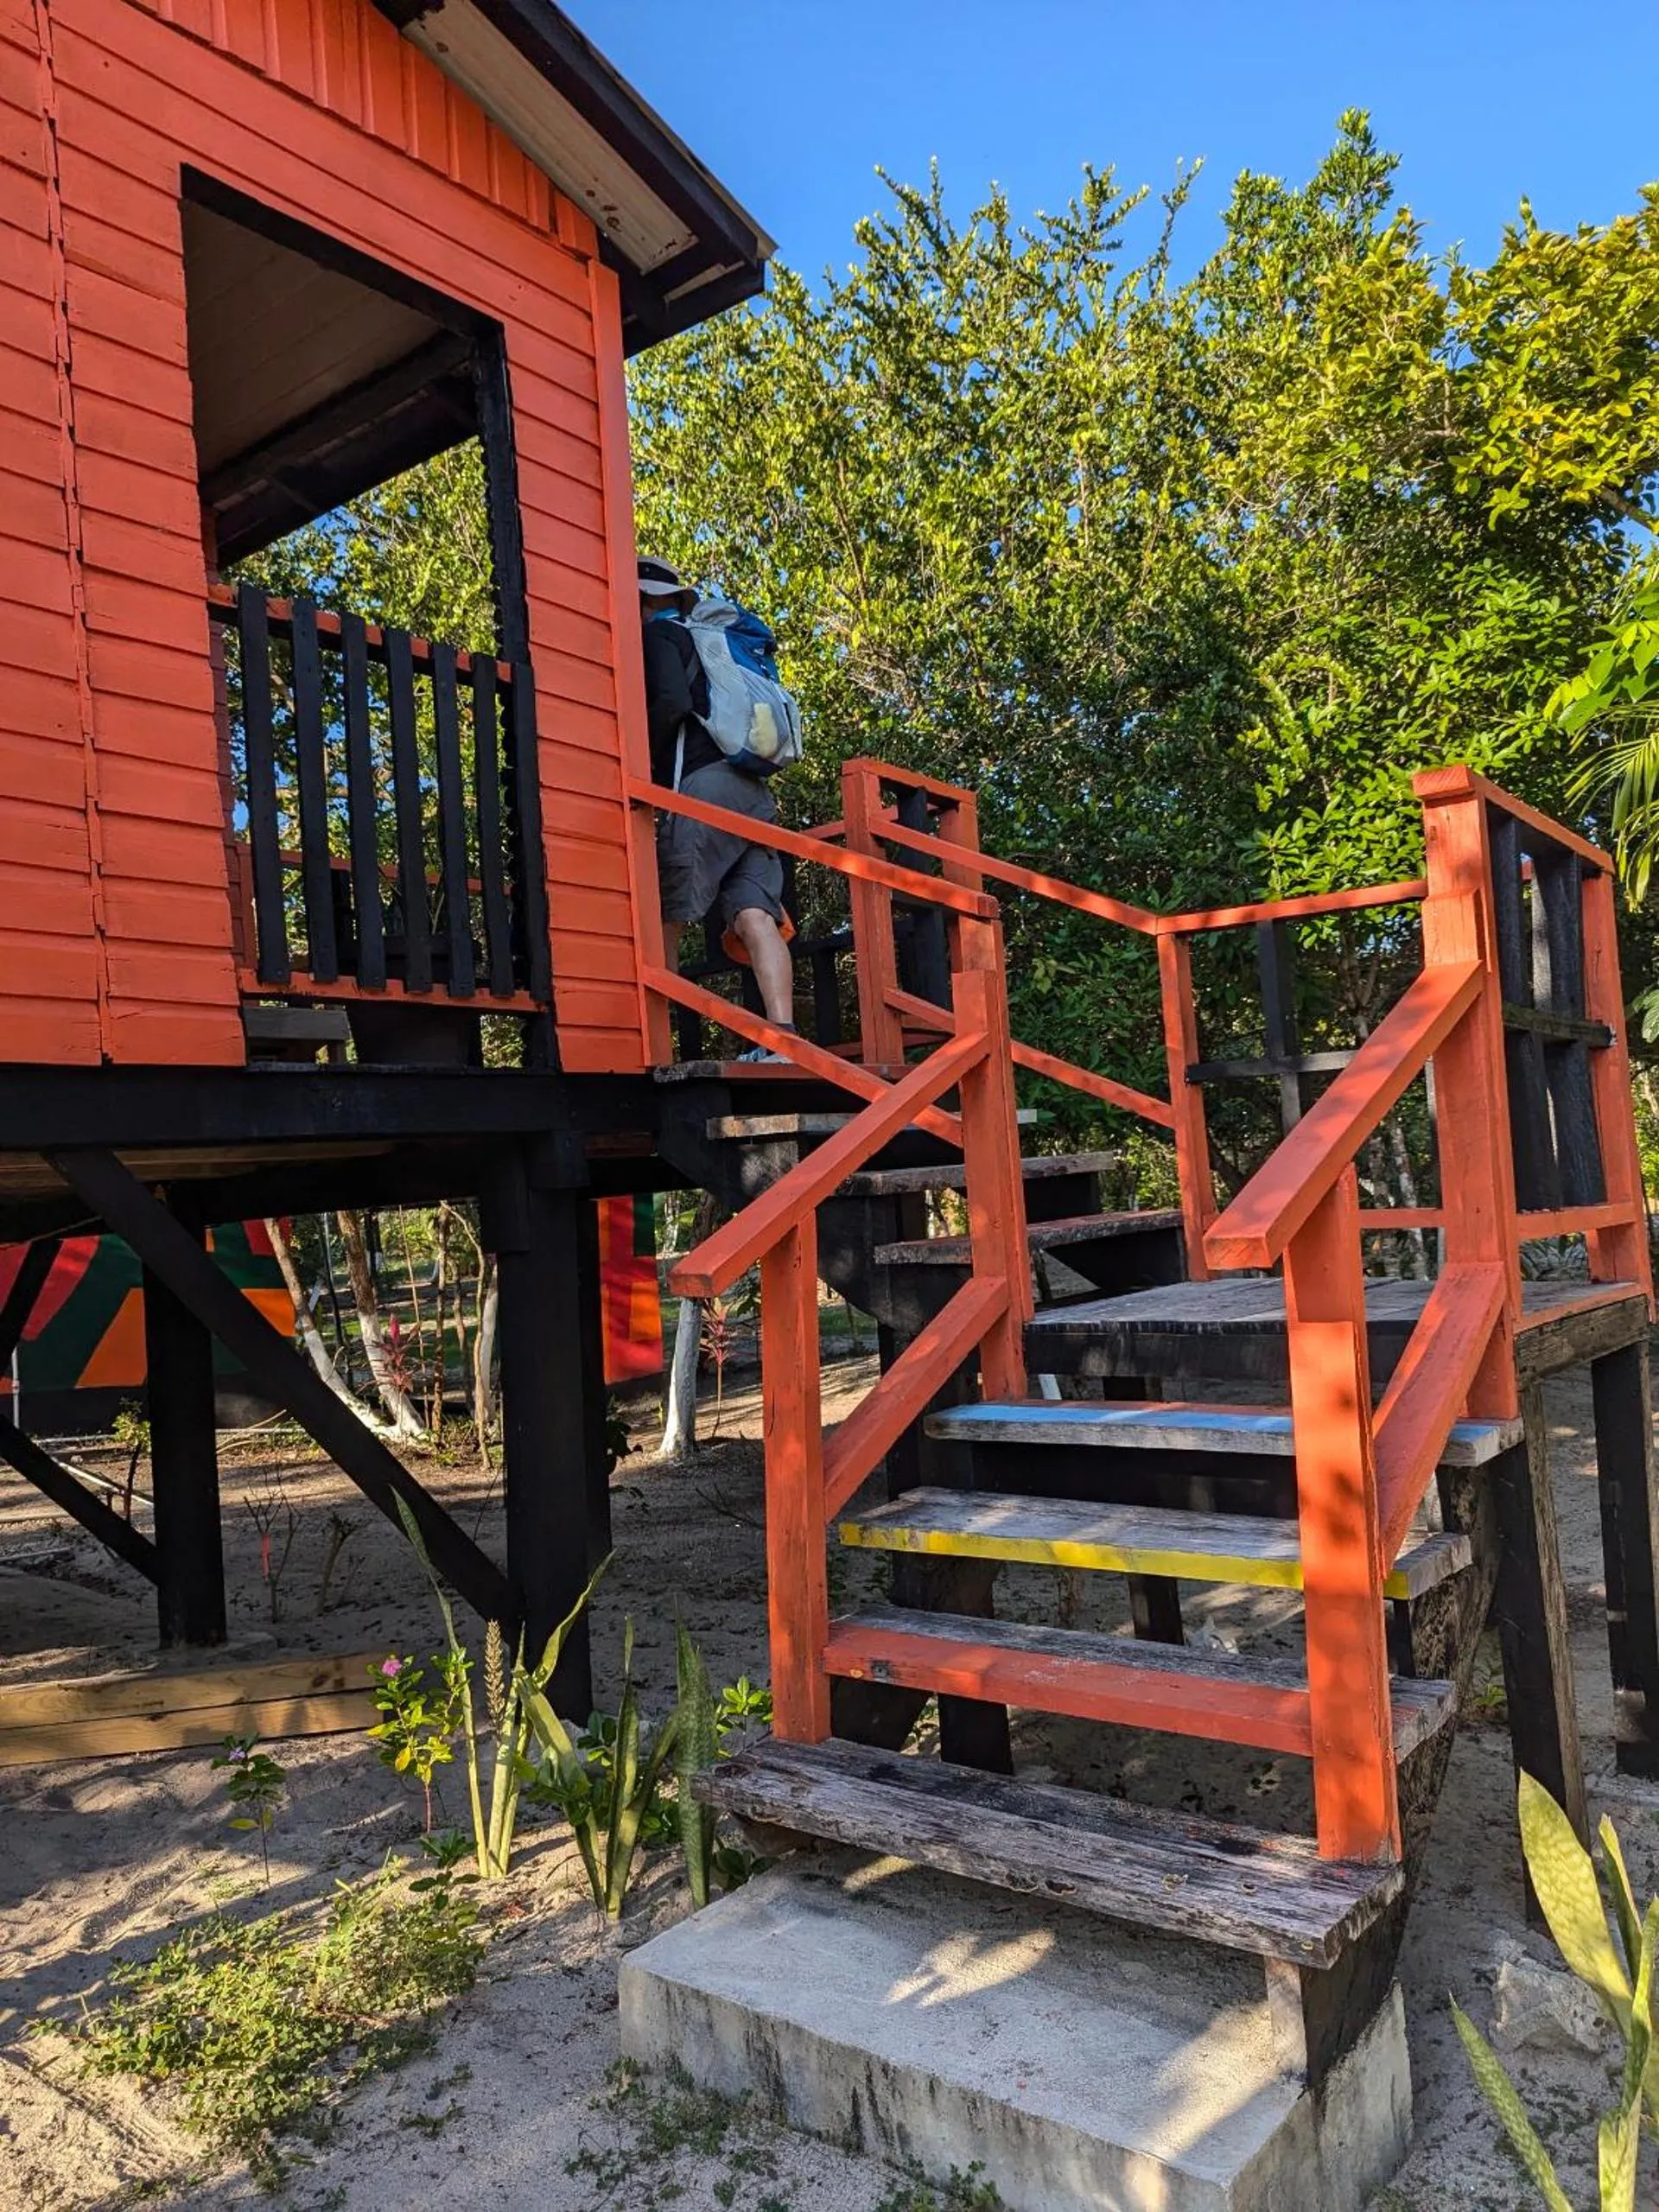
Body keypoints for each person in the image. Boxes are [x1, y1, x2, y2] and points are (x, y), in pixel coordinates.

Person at [638, 556, 798, 1052]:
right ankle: (783, 1038)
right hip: (753, 791)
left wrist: (646, 771)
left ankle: (653, 1042)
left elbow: (669, 705)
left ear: (644, 599)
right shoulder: (714, 646)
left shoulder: (661, 638)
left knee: (667, 907)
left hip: (705, 785)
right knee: (755, 916)